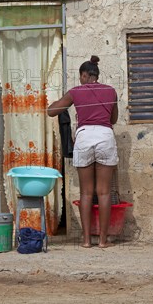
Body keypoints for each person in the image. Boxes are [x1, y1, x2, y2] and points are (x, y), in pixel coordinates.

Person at [47, 55, 119, 248]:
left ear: (85, 75)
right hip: (105, 137)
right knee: (103, 193)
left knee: (86, 193)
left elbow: (51, 111)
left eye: (81, 77)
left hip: (84, 138)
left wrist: (64, 102)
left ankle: (87, 241)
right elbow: (113, 120)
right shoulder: (111, 91)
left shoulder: (76, 92)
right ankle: (103, 241)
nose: (81, 80)